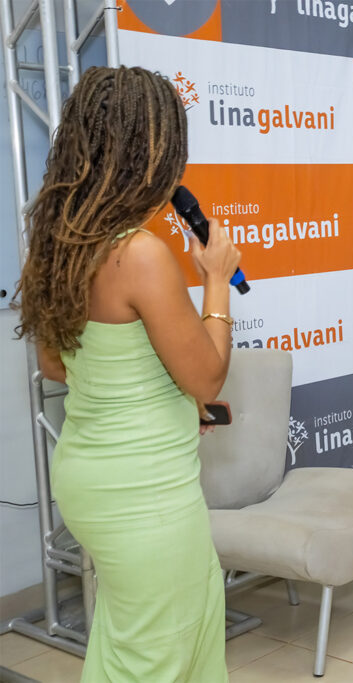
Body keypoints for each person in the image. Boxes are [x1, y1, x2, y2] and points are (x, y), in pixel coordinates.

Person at [14, 66, 240, 681]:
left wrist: (163, 399)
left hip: (91, 479)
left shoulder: (60, 244)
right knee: (163, 652)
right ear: (151, 151)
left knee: (133, 643)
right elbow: (208, 378)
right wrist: (217, 281)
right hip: (145, 493)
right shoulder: (139, 253)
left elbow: (57, 363)